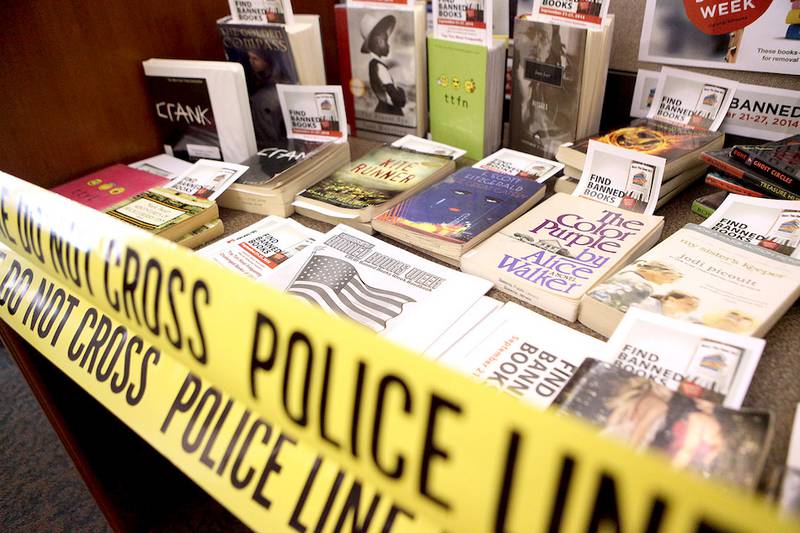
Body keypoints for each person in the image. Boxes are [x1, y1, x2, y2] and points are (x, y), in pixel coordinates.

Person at [360, 14, 406, 116]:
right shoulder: (379, 67)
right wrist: (401, 91)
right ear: (379, 41)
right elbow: (398, 101)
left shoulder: (374, 65)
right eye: (385, 40)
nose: (388, 45)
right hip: (390, 112)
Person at [247, 48, 288, 144]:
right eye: (249, 57)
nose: (251, 61)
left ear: (268, 59)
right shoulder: (256, 76)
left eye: (255, 58)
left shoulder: (270, 94)